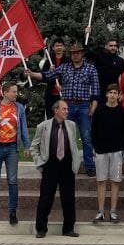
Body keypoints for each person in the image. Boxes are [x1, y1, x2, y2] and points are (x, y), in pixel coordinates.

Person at [28, 43, 100, 177]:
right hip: (67, 107)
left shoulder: (91, 69)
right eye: (73, 53)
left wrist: (93, 107)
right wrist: (32, 74)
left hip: (84, 106)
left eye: (78, 52)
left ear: (82, 53)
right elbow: (47, 75)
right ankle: (65, 165)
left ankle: (90, 166)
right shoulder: (64, 67)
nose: (75, 55)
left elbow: (96, 91)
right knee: (65, 137)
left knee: (86, 137)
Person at [31, 99, 82, 238]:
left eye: (67, 109)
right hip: (50, 165)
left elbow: (74, 146)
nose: (67, 111)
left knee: (68, 198)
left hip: (67, 166)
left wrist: (75, 165)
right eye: (64, 109)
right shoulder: (44, 126)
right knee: (46, 197)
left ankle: (68, 228)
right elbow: (34, 146)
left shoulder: (71, 125)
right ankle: (41, 229)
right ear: (56, 110)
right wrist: (39, 162)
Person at [0, 80, 29, 226]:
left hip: (12, 149)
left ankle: (12, 213)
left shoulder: (19, 108)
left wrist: (26, 146)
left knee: (12, 181)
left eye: (16, 91)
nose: (16, 94)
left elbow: (24, 128)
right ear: (5, 92)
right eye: (13, 91)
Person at [90, 84, 124, 224]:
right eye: (110, 92)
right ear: (106, 94)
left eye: (115, 92)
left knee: (115, 181)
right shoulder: (99, 110)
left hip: (117, 151)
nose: (113, 95)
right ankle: (100, 211)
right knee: (101, 181)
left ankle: (113, 211)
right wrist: (94, 147)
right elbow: (93, 130)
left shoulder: (123, 112)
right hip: (101, 150)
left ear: (118, 95)